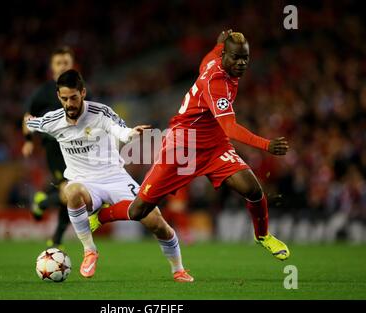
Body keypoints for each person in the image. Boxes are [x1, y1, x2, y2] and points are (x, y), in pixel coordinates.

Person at [90, 30, 291, 261]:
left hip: (214, 146)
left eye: (245, 57)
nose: (241, 63)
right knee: (138, 210)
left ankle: (262, 236)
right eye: (236, 57)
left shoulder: (217, 62)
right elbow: (230, 128)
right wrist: (266, 145)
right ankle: (101, 216)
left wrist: (217, 46)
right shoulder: (216, 82)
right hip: (182, 146)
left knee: (253, 190)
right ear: (225, 56)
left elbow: (204, 62)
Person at [26, 69, 194, 282]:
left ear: (83, 93)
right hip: (84, 183)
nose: (70, 103)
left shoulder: (100, 113)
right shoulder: (52, 121)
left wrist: (131, 133)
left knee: (156, 223)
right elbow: (31, 122)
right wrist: (27, 130)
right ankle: (90, 250)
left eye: (74, 98)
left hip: (115, 178)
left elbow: (120, 130)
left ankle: (178, 269)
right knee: (72, 191)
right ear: (59, 97)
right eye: (65, 98)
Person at [21, 46, 74, 248]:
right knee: (69, 191)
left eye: (66, 63)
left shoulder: (80, 90)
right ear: (52, 67)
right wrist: (27, 140)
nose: (63, 66)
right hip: (54, 146)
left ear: (72, 65)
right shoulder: (43, 92)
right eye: (59, 63)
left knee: (73, 194)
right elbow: (28, 116)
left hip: (77, 148)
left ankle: (56, 237)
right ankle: (42, 204)